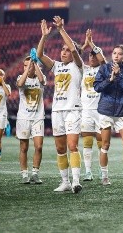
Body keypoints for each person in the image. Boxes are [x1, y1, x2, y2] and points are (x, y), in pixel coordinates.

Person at [36, 16, 84, 193]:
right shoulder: (56, 66)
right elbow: (40, 55)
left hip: (72, 110)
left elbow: (73, 48)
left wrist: (61, 30)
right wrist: (44, 37)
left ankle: (76, 181)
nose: (63, 52)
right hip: (57, 111)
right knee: (60, 148)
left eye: (67, 50)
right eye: (62, 50)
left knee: (72, 146)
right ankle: (65, 182)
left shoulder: (78, 66)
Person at [94, 44, 123, 186]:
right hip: (106, 111)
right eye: (114, 53)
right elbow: (97, 87)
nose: (116, 56)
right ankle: (105, 176)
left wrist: (118, 77)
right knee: (105, 144)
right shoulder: (104, 68)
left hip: (122, 111)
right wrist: (109, 80)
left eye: (119, 54)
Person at [79, 29, 106, 182]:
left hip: (100, 110)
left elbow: (103, 60)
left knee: (102, 142)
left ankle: (103, 172)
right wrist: (85, 45)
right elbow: (76, 55)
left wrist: (92, 44)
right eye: (90, 54)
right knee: (87, 141)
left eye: (94, 54)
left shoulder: (103, 69)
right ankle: (88, 171)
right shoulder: (83, 69)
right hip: (86, 111)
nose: (92, 57)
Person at [16, 55, 46, 184]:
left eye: (30, 65)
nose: (27, 67)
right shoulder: (20, 78)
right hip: (23, 118)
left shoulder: (41, 78)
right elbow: (20, 84)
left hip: (38, 117)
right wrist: (28, 67)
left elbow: (42, 80)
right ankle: (24, 174)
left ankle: (35, 173)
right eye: (24, 65)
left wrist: (36, 64)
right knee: (24, 148)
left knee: (38, 146)